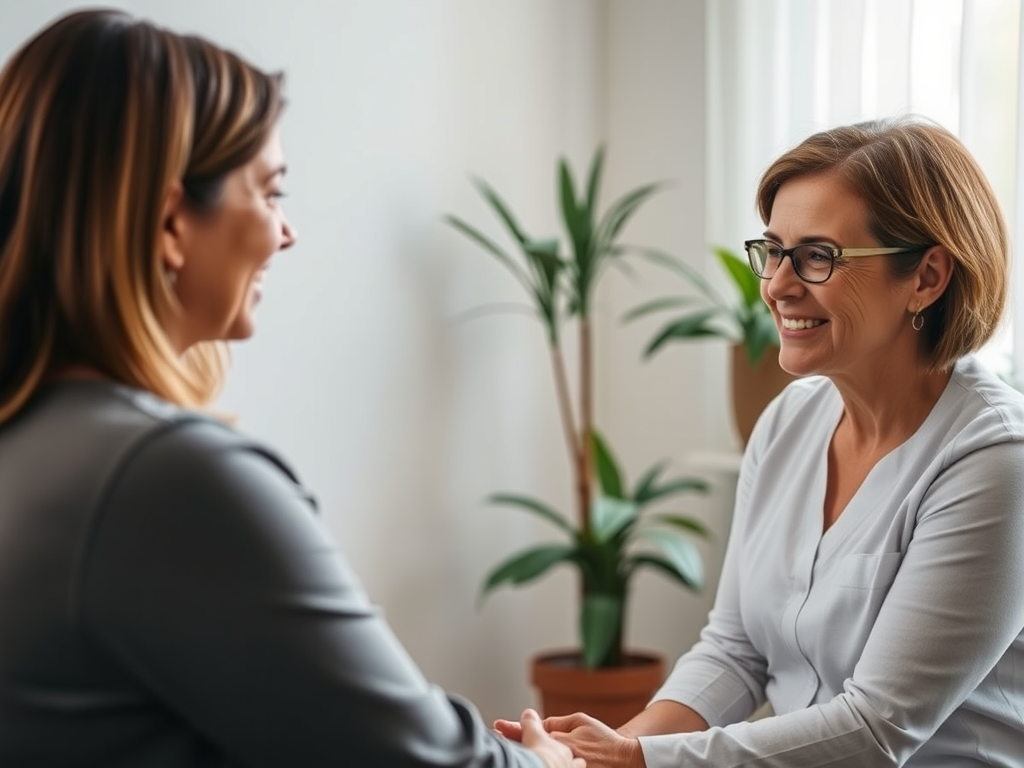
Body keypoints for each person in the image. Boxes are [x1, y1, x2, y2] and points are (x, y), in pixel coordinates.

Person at [0, 9, 584, 768]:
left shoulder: (34, 447)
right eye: (269, 192)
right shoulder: (167, 478)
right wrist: (547, 763)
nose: (286, 232)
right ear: (173, 223)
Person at [496, 116, 1024, 766]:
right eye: (772, 251)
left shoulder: (996, 461)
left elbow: (879, 729)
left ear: (927, 278)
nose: (776, 286)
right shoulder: (787, 423)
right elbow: (734, 652)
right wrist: (607, 750)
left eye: (817, 257)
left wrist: (635, 762)